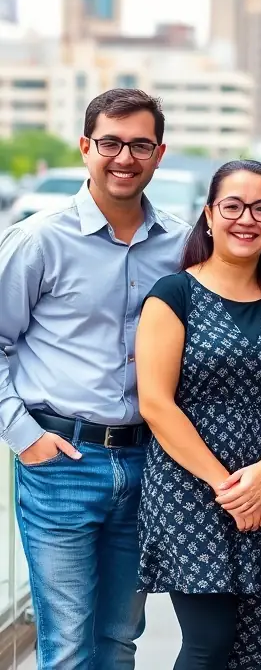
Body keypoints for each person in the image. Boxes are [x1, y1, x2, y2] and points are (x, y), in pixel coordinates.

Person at [0, 89, 189, 670]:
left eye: (139, 145)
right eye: (110, 143)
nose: (124, 157)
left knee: (116, 640)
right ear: (86, 148)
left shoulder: (182, 245)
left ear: (159, 154)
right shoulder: (38, 240)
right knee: (67, 648)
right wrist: (23, 435)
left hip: (148, 466)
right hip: (62, 463)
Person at [135, 160, 261, 669]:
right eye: (232, 206)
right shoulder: (174, 295)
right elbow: (156, 403)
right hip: (191, 486)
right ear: (210, 216)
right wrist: (231, 490)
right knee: (209, 643)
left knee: (255, 649)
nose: (247, 219)